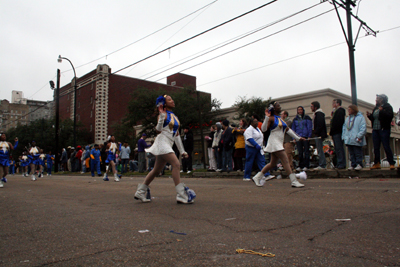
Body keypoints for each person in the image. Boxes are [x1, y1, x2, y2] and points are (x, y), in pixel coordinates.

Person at [134, 95, 196, 204]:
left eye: (172, 98)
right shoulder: (163, 115)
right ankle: (181, 194)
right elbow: (158, 130)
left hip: (168, 143)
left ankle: (140, 191)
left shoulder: (174, 116)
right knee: (176, 164)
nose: (173, 100)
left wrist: (182, 151)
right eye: (170, 99)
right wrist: (161, 117)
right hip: (162, 142)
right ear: (164, 103)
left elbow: (176, 135)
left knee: (156, 170)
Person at [252, 101, 306, 188]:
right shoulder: (271, 118)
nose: (280, 107)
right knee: (285, 161)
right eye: (278, 106)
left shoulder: (280, 119)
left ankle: (257, 177)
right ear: (273, 108)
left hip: (278, 143)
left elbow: (288, 130)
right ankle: (294, 181)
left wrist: (298, 138)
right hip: (274, 142)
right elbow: (264, 129)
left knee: (272, 164)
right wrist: (266, 117)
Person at [366, 94, 395, 170]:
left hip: (383, 129)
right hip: (375, 129)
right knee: (376, 147)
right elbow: (374, 118)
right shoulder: (376, 108)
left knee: (386, 146)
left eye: (378, 98)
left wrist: (382, 111)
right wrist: (370, 116)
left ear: (382, 99)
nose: (376, 99)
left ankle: (391, 163)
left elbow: (389, 116)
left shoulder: (387, 107)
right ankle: (377, 163)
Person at [243, 118, 274, 182]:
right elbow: (249, 138)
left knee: (262, 161)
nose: (256, 123)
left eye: (257, 121)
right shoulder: (249, 129)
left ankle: (266, 174)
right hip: (251, 148)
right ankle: (246, 176)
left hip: (259, 148)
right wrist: (255, 145)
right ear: (251, 123)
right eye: (255, 122)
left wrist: (261, 146)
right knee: (249, 162)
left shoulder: (257, 129)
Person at [342, 105, 367, 170]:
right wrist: (344, 137)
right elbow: (344, 128)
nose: (348, 111)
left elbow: (363, 128)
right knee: (351, 153)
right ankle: (353, 164)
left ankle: (359, 164)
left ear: (353, 110)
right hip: (349, 139)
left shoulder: (360, 117)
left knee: (357, 152)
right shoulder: (348, 118)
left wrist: (359, 136)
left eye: (350, 109)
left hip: (356, 139)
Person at [292, 106, 312, 171]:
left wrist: (309, 136)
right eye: (298, 110)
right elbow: (293, 129)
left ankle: (307, 165)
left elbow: (309, 127)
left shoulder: (307, 118)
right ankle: (301, 165)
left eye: (301, 110)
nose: (300, 111)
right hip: (298, 137)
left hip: (305, 137)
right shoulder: (295, 119)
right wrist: (294, 137)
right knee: (300, 152)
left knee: (306, 151)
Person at [330, 99, 346, 169]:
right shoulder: (335, 112)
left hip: (338, 132)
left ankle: (341, 163)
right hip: (335, 132)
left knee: (339, 148)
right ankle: (339, 163)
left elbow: (338, 123)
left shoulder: (340, 111)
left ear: (338, 103)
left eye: (334, 103)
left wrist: (333, 130)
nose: (333, 104)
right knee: (337, 149)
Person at [311, 101, 327, 170]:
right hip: (318, 134)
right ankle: (322, 163)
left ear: (315, 107)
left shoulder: (319, 114)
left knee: (320, 149)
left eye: (312, 106)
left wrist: (316, 132)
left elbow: (320, 124)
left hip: (319, 135)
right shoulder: (316, 114)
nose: (311, 108)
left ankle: (322, 164)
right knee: (319, 149)